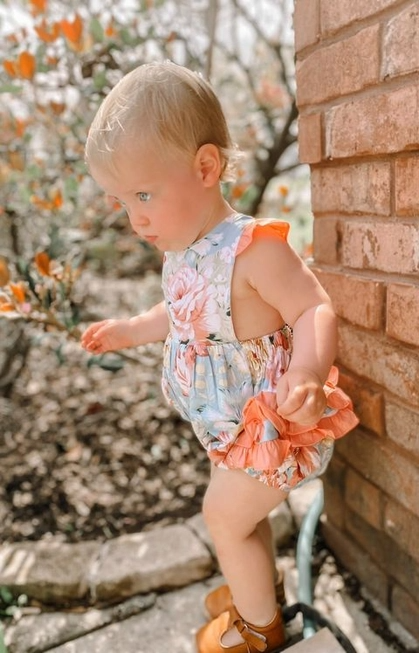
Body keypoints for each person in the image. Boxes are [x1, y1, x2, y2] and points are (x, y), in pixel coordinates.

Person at [81, 61, 358, 653]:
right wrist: (130, 330)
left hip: (272, 426)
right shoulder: (182, 246)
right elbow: (184, 311)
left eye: (145, 194)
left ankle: (258, 629)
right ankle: (255, 588)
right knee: (240, 520)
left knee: (223, 520)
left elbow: (313, 309)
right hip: (224, 427)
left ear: (206, 168)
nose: (136, 219)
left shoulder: (254, 250)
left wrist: (308, 372)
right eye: (122, 202)